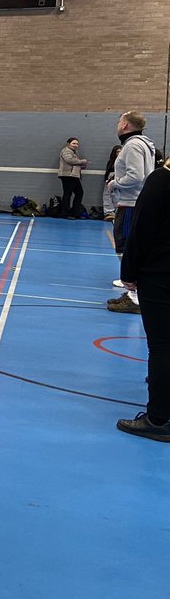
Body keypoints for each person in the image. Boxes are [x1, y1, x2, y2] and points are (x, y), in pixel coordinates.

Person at [115, 155, 170, 441]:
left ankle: (159, 419)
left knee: (161, 346)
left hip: (160, 273)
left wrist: (129, 272)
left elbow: (141, 230)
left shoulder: (162, 180)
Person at [108, 111, 158, 314]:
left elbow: (136, 176)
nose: (118, 125)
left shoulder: (133, 145)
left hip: (131, 202)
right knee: (128, 245)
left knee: (125, 245)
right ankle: (132, 293)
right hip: (134, 201)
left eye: (120, 121)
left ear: (126, 125)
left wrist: (114, 183)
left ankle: (134, 296)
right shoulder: (143, 144)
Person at [57, 137, 89, 219]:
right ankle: (66, 213)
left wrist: (81, 167)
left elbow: (73, 164)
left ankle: (75, 212)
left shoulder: (74, 152)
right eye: (74, 143)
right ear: (68, 144)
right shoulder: (66, 151)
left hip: (73, 175)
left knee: (79, 193)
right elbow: (70, 160)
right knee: (68, 194)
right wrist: (83, 161)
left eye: (77, 144)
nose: (76, 145)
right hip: (67, 175)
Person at [103, 144, 123, 221]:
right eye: (117, 152)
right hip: (110, 178)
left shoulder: (123, 161)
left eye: (121, 152)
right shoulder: (111, 162)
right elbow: (108, 172)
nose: (119, 153)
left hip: (119, 179)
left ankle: (117, 212)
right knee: (107, 195)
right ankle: (108, 212)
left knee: (117, 195)